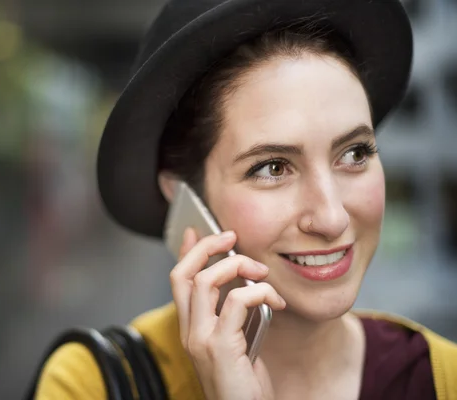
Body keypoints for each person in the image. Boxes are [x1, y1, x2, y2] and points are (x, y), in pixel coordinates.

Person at [35, 0, 457, 399]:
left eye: (355, 154)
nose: (330, 217)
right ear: (185, 195)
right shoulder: (93, 384)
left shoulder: (445, 378)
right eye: (273, 168)